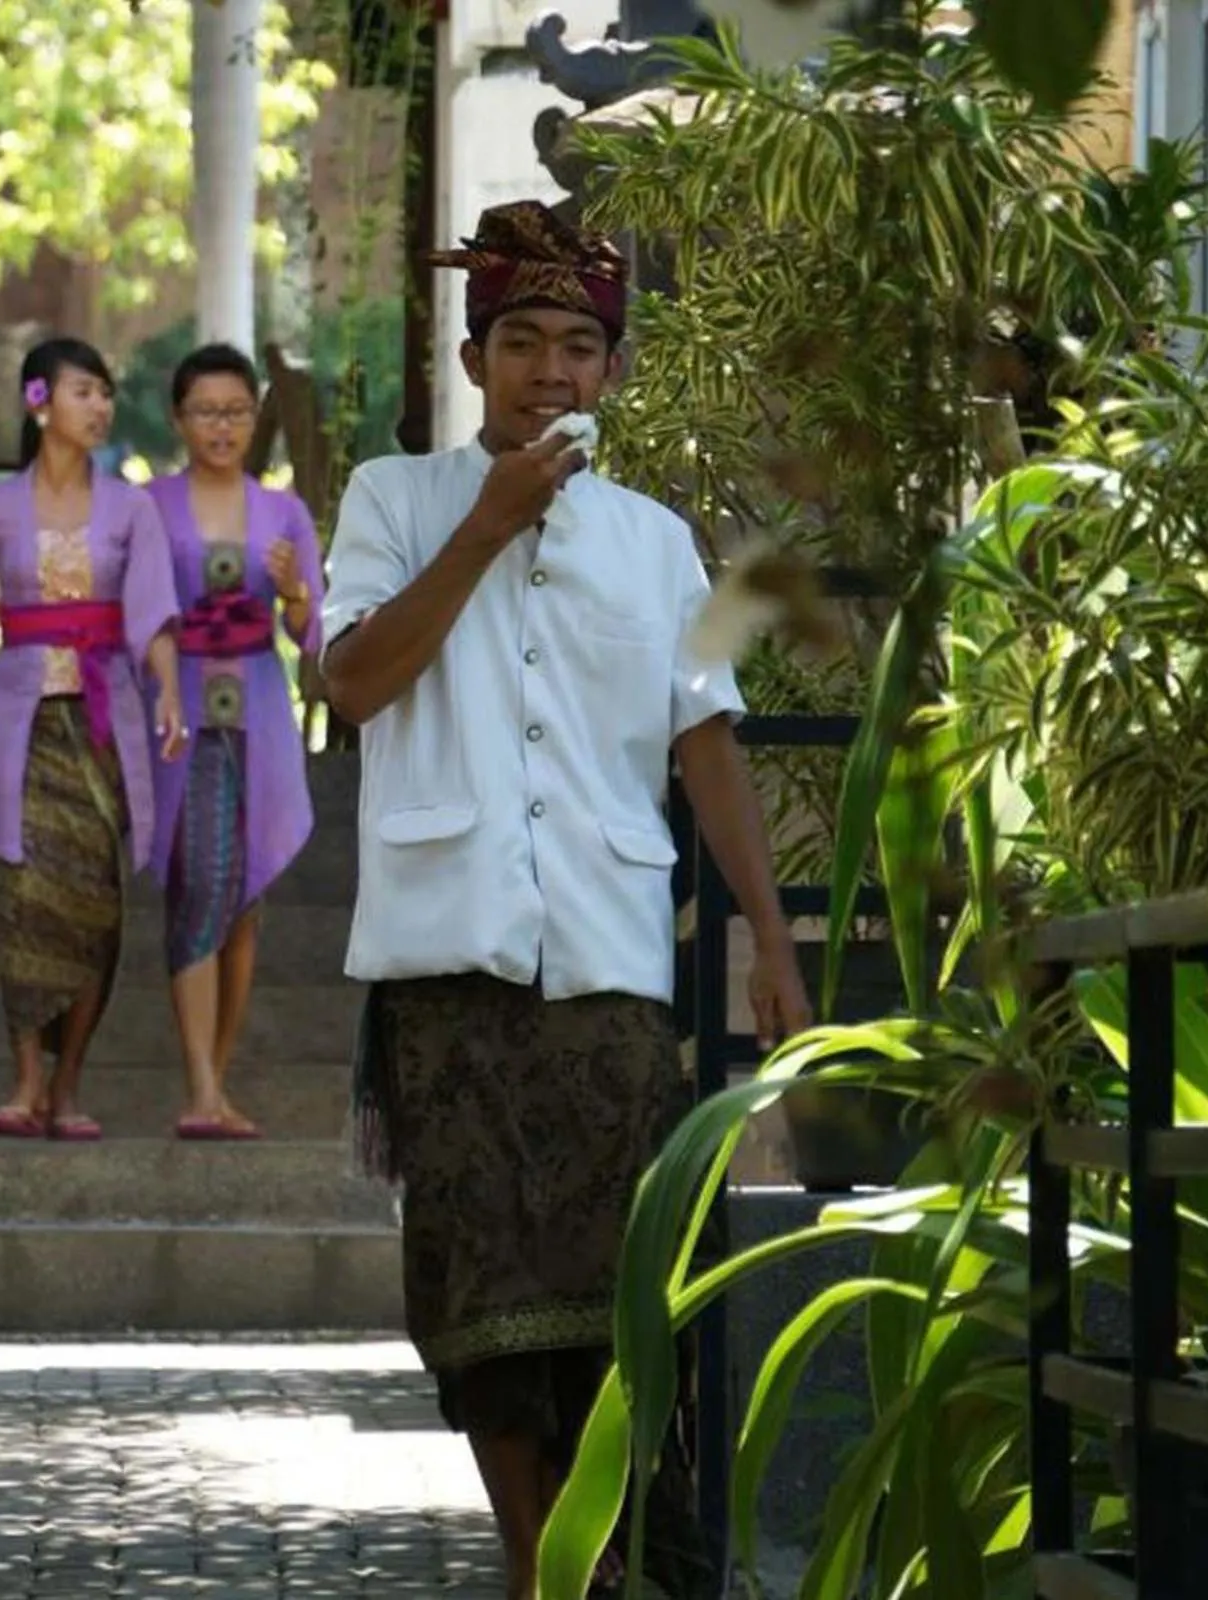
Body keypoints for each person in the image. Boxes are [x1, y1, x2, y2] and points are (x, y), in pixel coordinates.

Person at [319, 201, 812, 1600]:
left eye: (578, 346)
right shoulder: (391, 501)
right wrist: (482, 527)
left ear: (611, 371)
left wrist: (771, 944)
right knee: (479, 1314)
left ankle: (602, 1561)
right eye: (522, 340)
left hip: (606, 965)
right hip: (444, 960)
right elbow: (351, 684)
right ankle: (544, 1570)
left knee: (611, 1300)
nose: (550, 369)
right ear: (476, 361)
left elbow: (704, 740)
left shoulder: (655, 541)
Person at [0, 337, 189, 1142]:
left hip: (105, 724)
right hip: (20, 725)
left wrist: (169, 688)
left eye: (106, 393)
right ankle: (25, 1078)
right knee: (25, 900)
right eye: (83, 392)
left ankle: (69, 1087)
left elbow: (153, 612)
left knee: (94, 909)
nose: (100, 407)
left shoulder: (130, 506)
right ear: (40, 402)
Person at [145, 343, 324, 1141]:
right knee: (202, 877)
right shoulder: (151, 506)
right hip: (182, 705)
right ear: (180, 418)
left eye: (237, 411)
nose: (223, 426)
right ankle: (200, 1085)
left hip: (257, 703)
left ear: (256, 419)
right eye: (206, 411)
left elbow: (312, 627)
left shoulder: (283, 512)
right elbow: (137, 611)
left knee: (246, 898)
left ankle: (217, 1081)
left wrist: (288, 589)